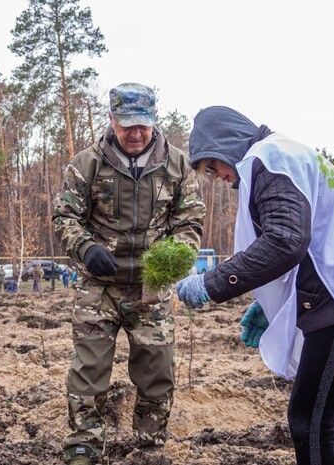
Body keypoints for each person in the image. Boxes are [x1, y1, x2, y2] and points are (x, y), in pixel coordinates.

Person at [175, 107, 334, 465]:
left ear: (226, 145)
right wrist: (273, 300)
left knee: (309, 423)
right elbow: (309, 237)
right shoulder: (286, 152)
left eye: (214, 167)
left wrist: (212, 283)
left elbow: (284, 241)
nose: (221, 178)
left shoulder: (268, 158)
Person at [53, 83, 206, 465]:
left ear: (154, 121)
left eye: (143, 125)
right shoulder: (86, 164)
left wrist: (178, 254)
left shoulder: (177, 165)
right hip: (98, 287)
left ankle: (150, 446)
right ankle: (84, 447)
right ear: (112, 120)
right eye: (127, 125)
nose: (136, 134)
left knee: (157, 369)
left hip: (150, 287)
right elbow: (65, 216)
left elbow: (190, 221)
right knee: (89, 370)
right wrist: (86, 248)